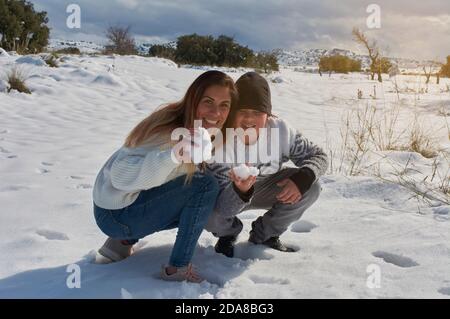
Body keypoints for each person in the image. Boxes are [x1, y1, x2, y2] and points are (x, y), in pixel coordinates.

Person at [92, 70, 238, 282]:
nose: (216, 113)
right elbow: (121, 176)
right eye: (208, 102)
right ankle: (176, 269)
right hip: (114, 213)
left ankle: (120, 243)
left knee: (197, 199)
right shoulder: (170, 128)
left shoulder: (204, 133)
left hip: (122, 209)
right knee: (204, 186)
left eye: (224, 105)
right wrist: (174, 155)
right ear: (193, 100)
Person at [206, 72, 328, 258]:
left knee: (312, 186)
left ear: (267, 115)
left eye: (256, 113)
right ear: (232, 112)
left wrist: (303, 178)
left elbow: (319, 155)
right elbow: (224, 208)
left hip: (267, 186)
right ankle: (228, 234)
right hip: (228, 194)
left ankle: (265, 235)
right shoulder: (220, 140)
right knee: (206, 208)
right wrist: (240, 189)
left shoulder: (280, 130)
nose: (248, 119)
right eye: (243, 112)